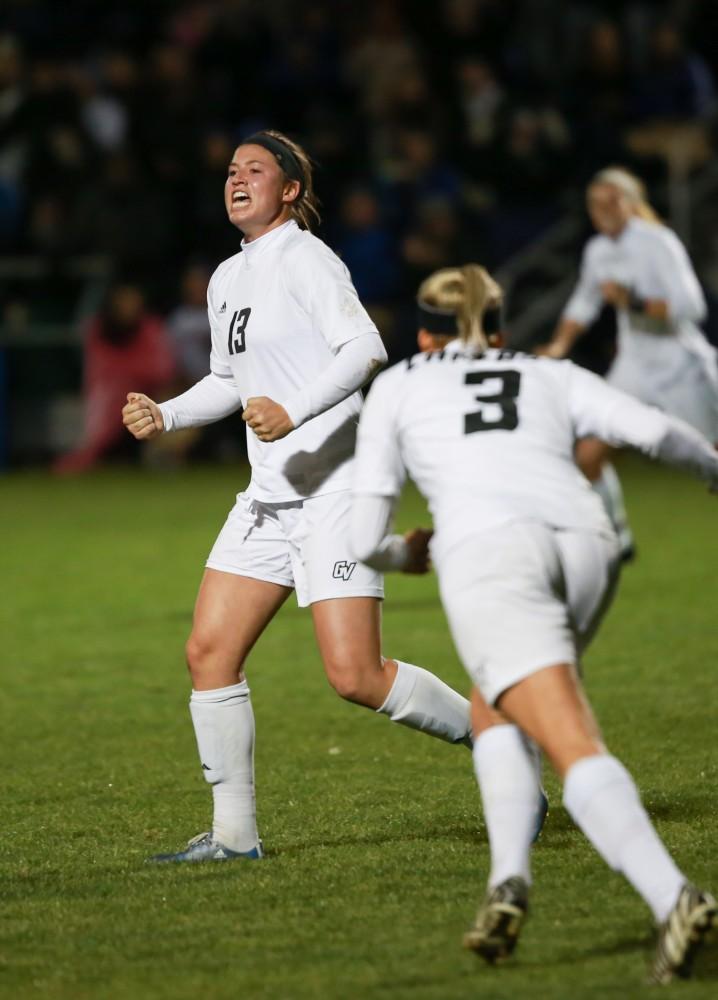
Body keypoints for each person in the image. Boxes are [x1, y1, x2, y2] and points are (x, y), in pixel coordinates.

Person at [350, 263, 717, 984]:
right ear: (501, 329)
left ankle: (675, 895)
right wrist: (711, 464)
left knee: (565, 732)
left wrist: (404, 554)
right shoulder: (548, 371)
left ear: (422, 335)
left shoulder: (399, 384)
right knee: (498, 705)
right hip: (588, 546)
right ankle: (507, 883)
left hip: (493, 555)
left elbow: (365, 537)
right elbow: (652, 429)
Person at [122, 129, 475, 864]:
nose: (237, 178)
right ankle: (232, 838)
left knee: (356, 677)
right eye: (229, 170)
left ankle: (498, 739)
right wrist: (168, 413)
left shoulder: (309, 259)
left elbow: (365, 348)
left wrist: (294, 409)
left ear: (289, 190)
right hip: (270, 496)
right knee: (208, 653)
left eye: (256, 169)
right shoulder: (226, 278)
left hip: (334, 489)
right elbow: (227, 379)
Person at [542, 166, 718, 558]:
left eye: (610, 200)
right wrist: (559, 344)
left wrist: (633, 301)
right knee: (589, 453)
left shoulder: (658, 242)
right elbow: (584, 302)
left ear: (631, 203)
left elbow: (693, 308)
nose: (601, 210)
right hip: (634, 366)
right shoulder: (598, 249)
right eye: (594, 203)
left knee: (711, 460)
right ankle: (617, 540)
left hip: (679, 365)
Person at [54, 281, 175, 474]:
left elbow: (161, 370)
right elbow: (100, 370)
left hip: (150, 395)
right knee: (107, 396)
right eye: (123, 302)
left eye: (133, 302)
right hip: (111, 398)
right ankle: (87, 456)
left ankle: (163, 455)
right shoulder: (98, 328)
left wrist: (130, 377)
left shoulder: (150, 328)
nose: (128, 307)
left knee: (168, 399)